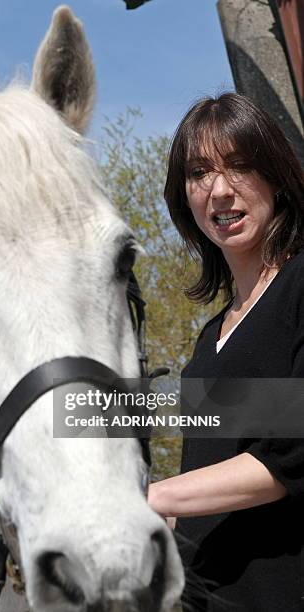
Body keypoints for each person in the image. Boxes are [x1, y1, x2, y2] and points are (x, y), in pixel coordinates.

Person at [148, 92, 304, 611]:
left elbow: (290, 456)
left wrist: (150, 499)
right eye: (198, 174)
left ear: (276, 176)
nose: (218, 190)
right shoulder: (209, 336)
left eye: (239, 166)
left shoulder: (299, 286)